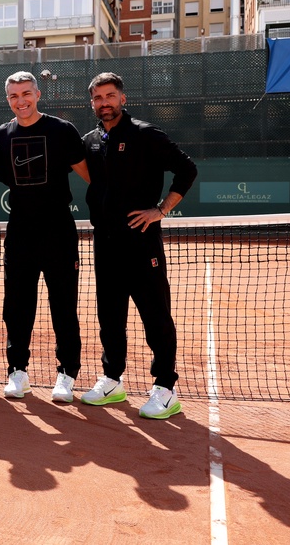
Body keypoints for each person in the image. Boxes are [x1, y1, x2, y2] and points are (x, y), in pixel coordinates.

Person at [80, 72, 197, 419]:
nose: (105, 103)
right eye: (99, 98)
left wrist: (160, 210)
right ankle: (113, 380)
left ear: (123, 98)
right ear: (92, 103)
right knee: (110, 317)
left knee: (155, 317)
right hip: (105, 244)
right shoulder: (90, 141)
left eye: (110, 96)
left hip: (141, 244)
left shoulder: (147, 135)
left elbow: (186, 170)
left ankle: (165, 388)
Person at [0, 71, 90, 403]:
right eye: (13, 96)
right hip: (20, 230)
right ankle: (17, 372)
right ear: (7, 100)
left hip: (58, 230)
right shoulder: (3, 134)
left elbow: (89, 174)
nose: (20, 101)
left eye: (25, 94)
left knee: (63, 305)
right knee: (17, 306)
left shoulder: (61, 130)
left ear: (37, 94)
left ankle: (66, 374)